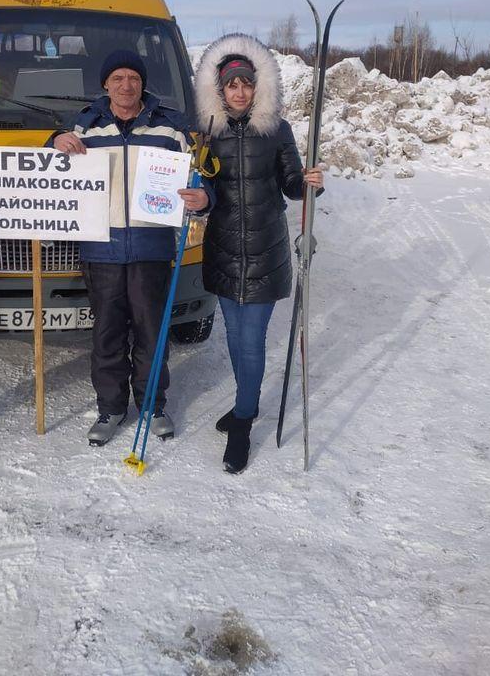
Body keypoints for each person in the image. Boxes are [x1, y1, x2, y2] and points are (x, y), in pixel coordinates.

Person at [53, 49, 210, 446]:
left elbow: (198, 175)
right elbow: (51, 170)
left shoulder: (170, 127)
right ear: (106, 85)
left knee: (151, 334)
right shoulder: (85, 125)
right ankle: (111, 408)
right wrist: (54, 140)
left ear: (143, 84)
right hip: (100, 249)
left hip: (151, 248)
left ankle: (153, 406)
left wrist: (203, 196)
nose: (127, 85)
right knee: (106, 335)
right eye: (118, 78)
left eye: (134, 78)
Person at [194, 34, 324, 474]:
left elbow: (291, 183)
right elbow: (204, 186)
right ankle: (243, 403)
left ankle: (243, 423)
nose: (240, 91)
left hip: (265, 250)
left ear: (257, 86)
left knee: (251, 341)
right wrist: (199, 198)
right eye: (232, 84)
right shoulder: (207, 133)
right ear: (220, 89)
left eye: (246, 83)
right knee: (234, 337)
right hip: (224, 249)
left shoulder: (277, 129)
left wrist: (308, 183)